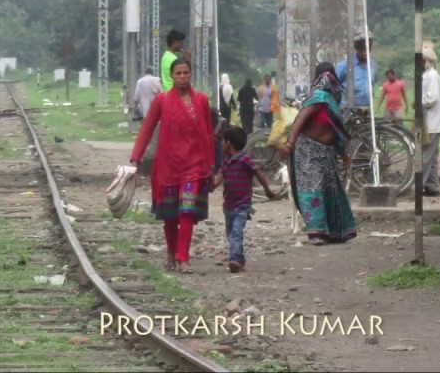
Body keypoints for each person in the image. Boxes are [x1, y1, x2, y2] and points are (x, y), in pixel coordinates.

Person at [129, 57, 218, 274]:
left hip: (194, 165)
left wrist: (211, 167)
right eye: (178, 73)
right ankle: (171, 251)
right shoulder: (162, 101)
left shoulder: (201, 101)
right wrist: (135, 159)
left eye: (186, 72)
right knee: (170, 215)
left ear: (191, 74)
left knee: (187, 210)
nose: (182, 77)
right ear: (171, 76)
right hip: (167, 166)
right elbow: (146, 130)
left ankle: (183, 256)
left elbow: (207, 135)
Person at [280, 63, 357, 245]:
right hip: (307, 150)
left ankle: (334, 232)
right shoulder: (316, 98)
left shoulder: (332, 102)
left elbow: (337, 131)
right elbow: (300, 119)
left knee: (331, 191)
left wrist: (343, 154)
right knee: (312, 190)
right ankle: (316, 233)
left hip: (327, 152)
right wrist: (290, 143)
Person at [213, 126, 278, 273]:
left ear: (228, 143)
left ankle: (234, 259)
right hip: (228, 206)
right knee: (231, 234)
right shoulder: (225, 164)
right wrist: (207, 181)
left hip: (242, 205)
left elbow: (259, 174)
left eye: (223, 141)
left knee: (236, 232)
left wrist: (267, 190)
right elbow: (216, 183)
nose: (221, 144)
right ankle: (240, 259)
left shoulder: (245, 160)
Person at [420, 47, 440, 197]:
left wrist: (419, 102)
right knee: (432, 156)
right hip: (432, 122)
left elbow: (432, 98)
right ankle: (432, 186)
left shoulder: (432, 76)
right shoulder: (429, 75)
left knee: (426, 156)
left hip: (431, 123)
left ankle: (420, 185)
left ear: (427, 61)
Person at [335, 38, 378, 109]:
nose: (364, 52)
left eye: (367, 49)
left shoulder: (372, 65)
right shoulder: (345, 65)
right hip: (347, 109)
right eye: (362, 49)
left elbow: (374, 82)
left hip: (367, 110)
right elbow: (333, 85)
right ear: (357, 49)